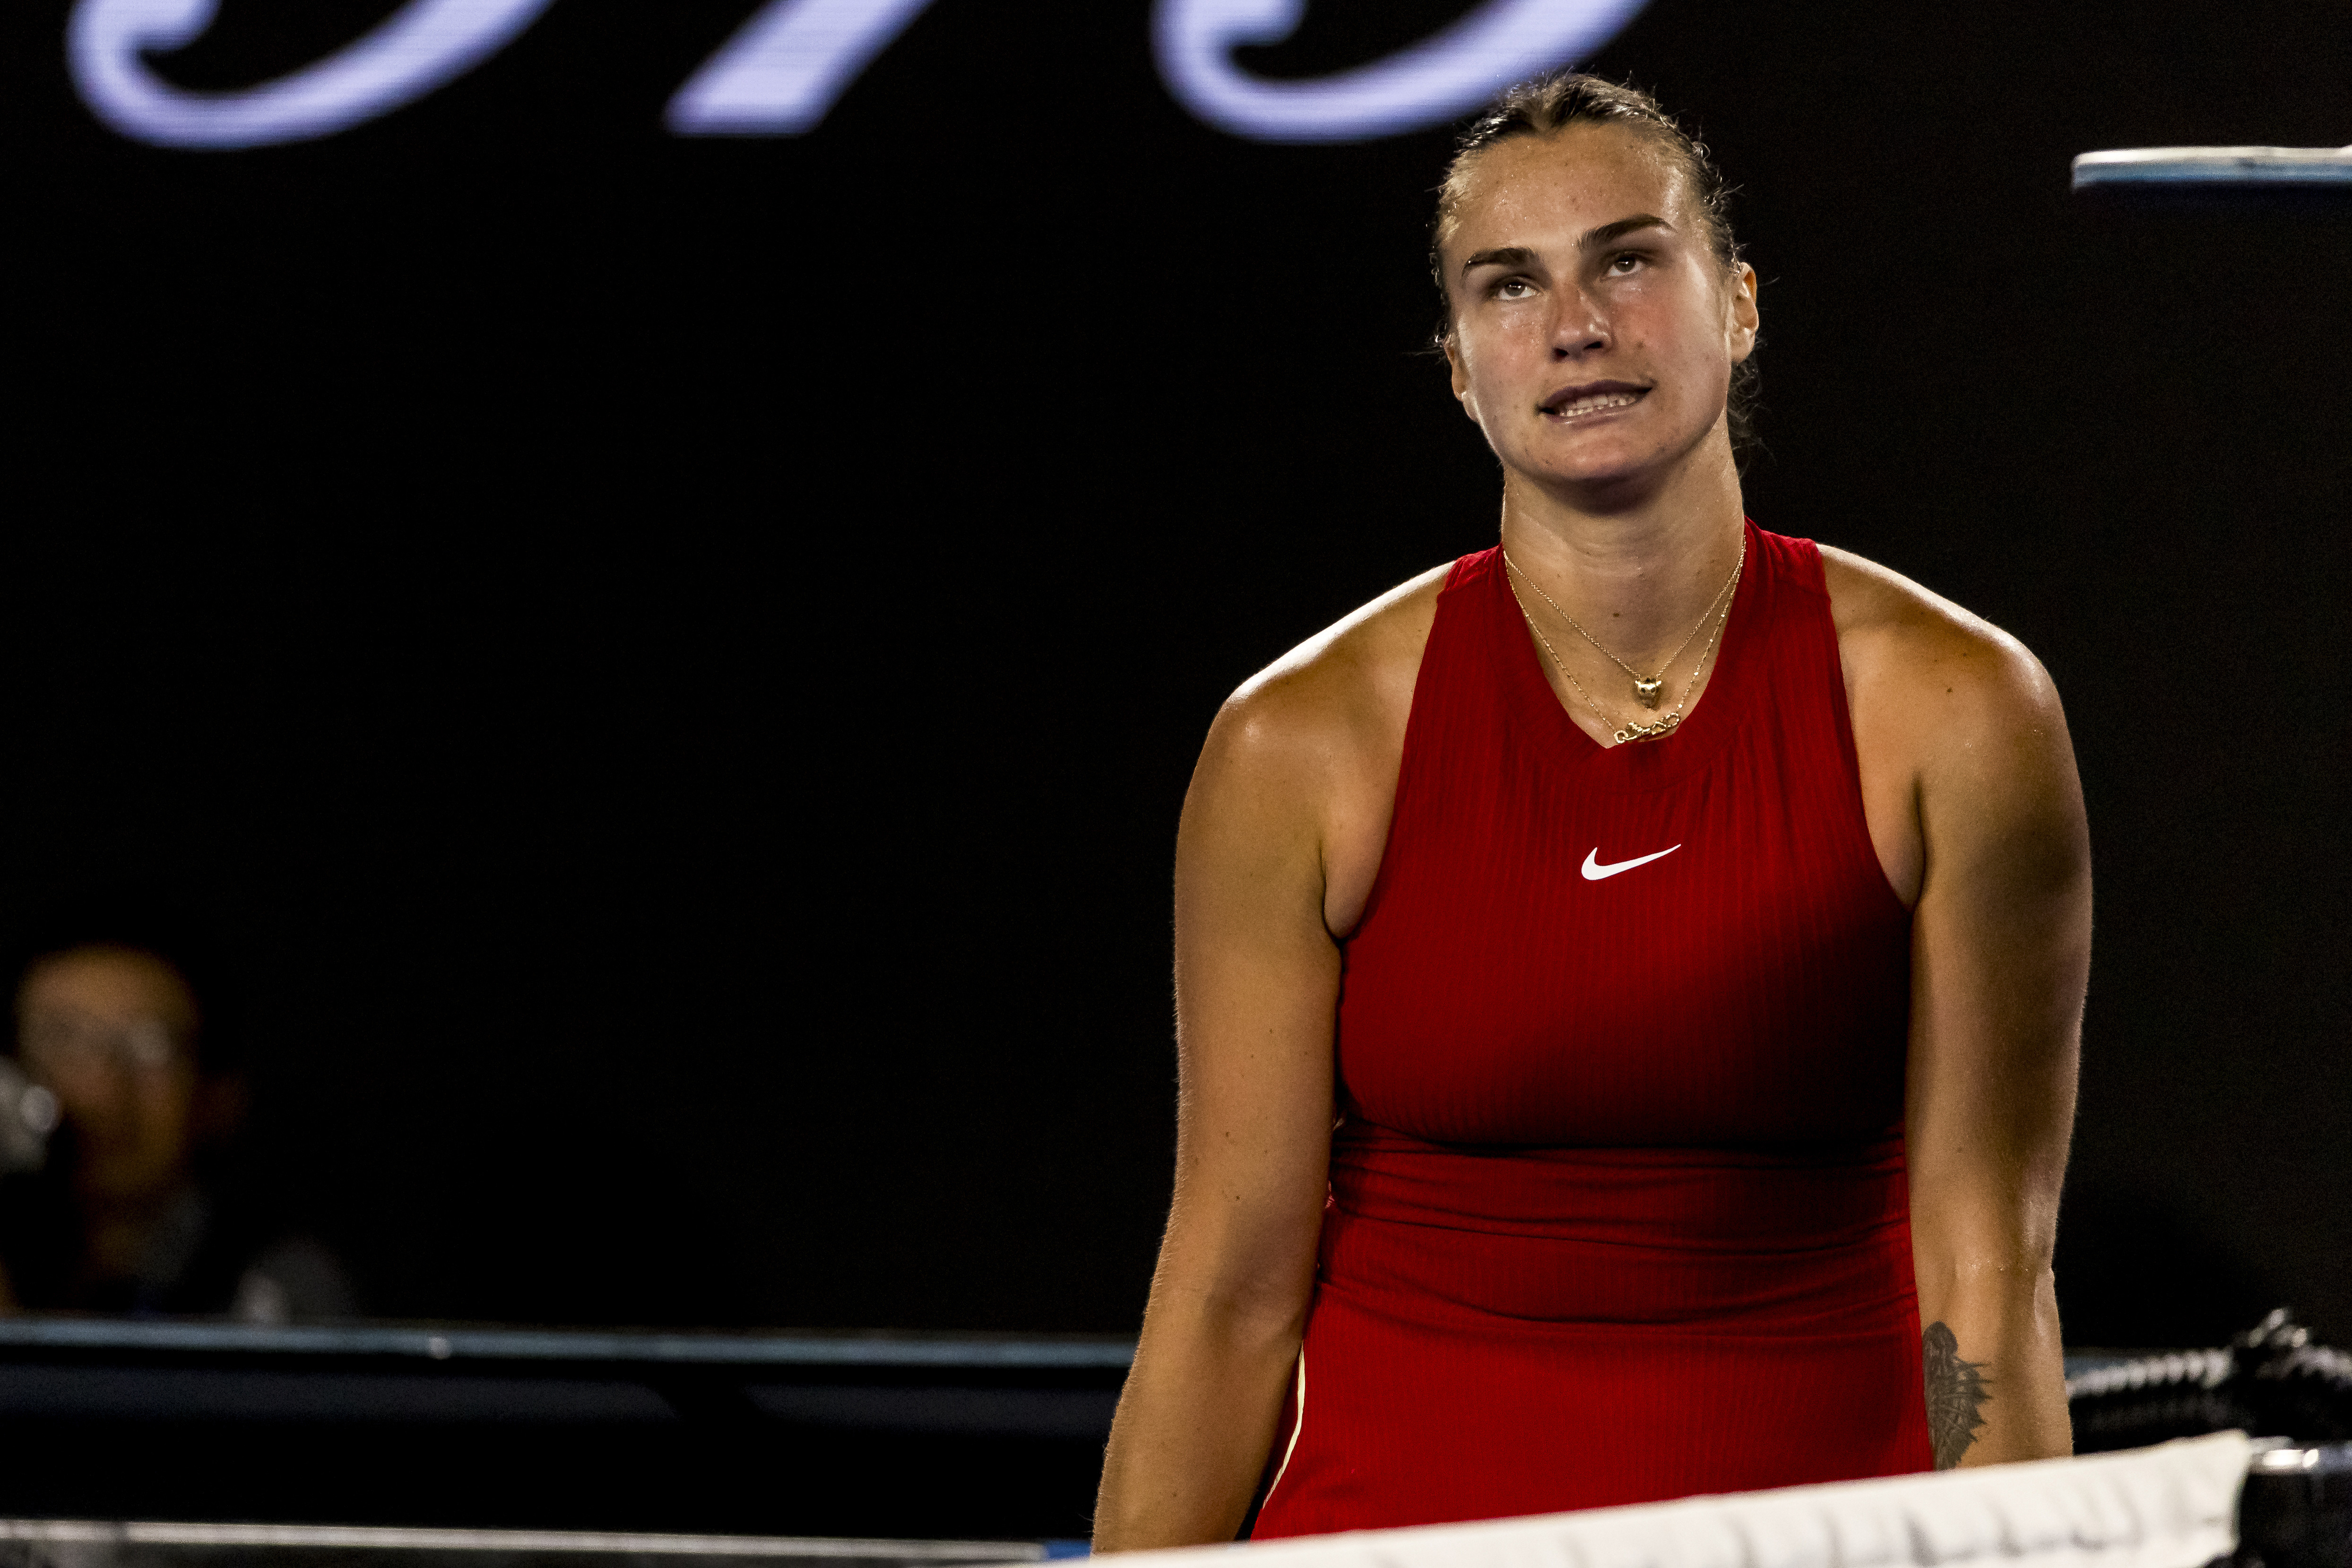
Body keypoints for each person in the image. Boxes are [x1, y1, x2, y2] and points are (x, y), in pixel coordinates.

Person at [1091, 73, 2089, 1548]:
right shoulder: (1295, 743)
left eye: (1626, 258)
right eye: (1509, 284)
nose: (1574, 322)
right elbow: (1228, 1285)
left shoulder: (1957, 713)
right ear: (1456, 366)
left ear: (1736, 304)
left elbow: (1984, 1270)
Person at [0, 929, 356, 1321]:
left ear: (218, 1095)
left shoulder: (272, 1284)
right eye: (62, 1038)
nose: (100, 1088)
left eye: (151, 1046)